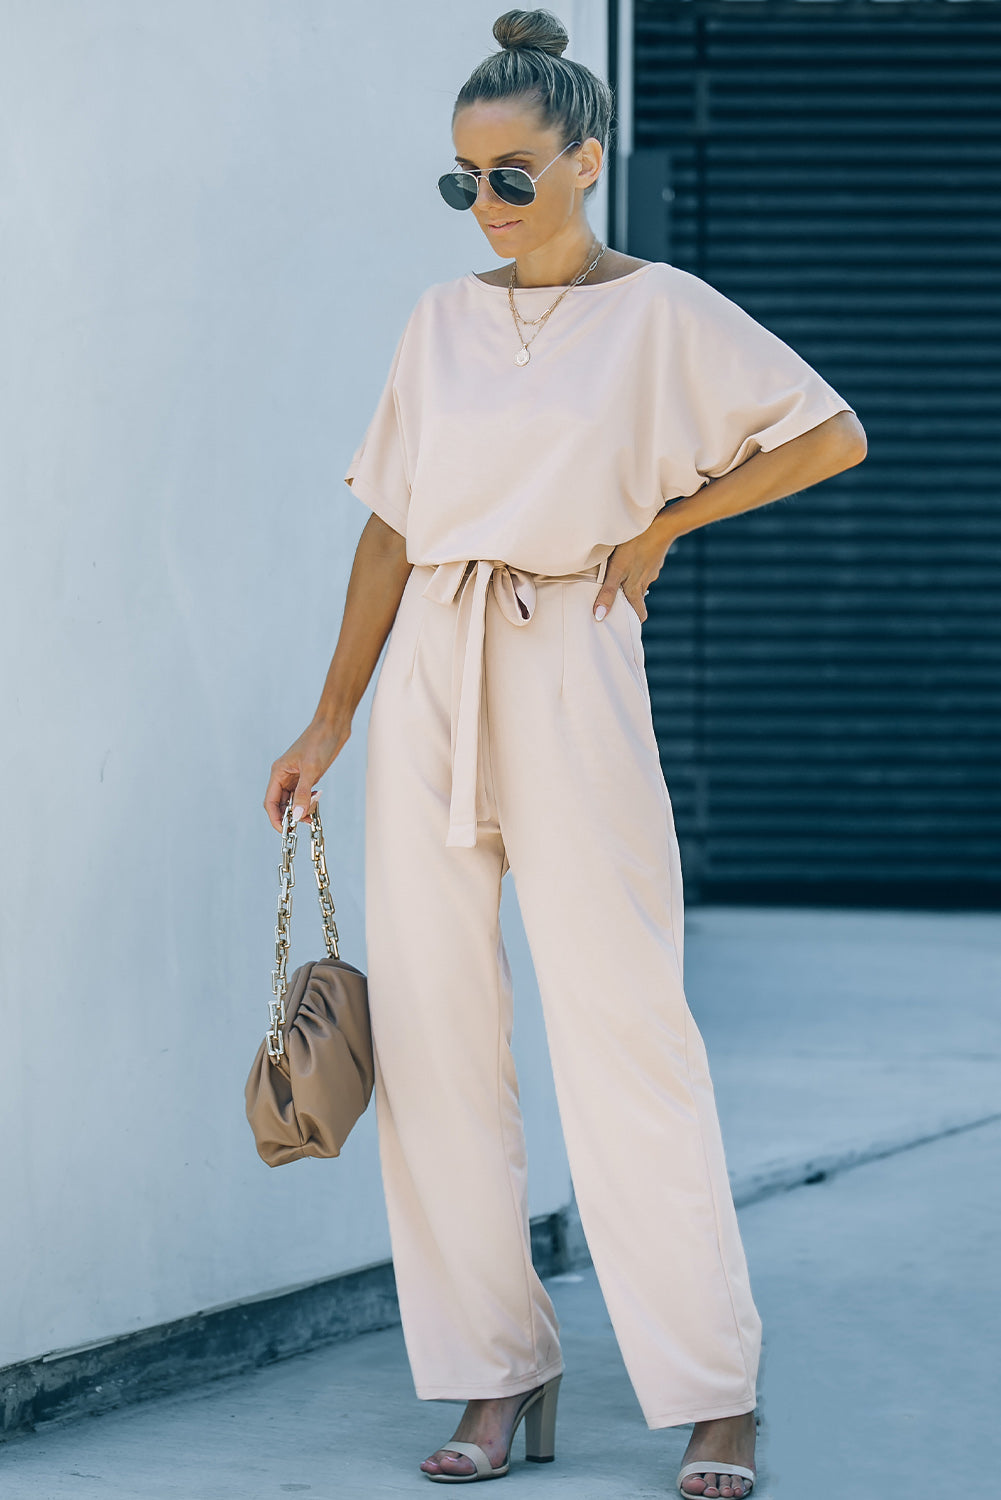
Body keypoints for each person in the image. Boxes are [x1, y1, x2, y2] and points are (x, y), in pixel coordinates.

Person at [263, 8, 867, 1494]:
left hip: (567, 655)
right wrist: (332, 714)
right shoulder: (436, 321)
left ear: (588, 160)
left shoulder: (660, 312)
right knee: (436, 1044)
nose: (490, 204)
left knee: (624, 1027)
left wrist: (662, 523)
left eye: (516, 174)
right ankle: (493, 1374)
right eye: (463, 181)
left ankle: (714, 1391)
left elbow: (826, 433)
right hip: (427, 682)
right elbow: (395, 523)